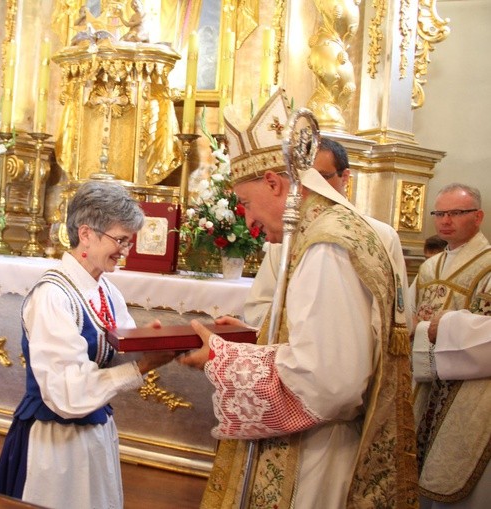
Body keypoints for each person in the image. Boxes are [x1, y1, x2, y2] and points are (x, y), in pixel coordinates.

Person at [179, 94, 417, 508]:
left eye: (248, 204)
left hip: (314, 454)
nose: (249, 221)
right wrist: (255, 341)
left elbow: (331, 383)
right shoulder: (334, 230)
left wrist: (222, 359)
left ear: (274, 183)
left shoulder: (327, 245)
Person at [0, 181, 175, 509]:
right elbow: (66, 393)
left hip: (94, 432)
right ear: (87, 234)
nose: (125, 251)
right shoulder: (53, 296)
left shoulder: (105, 291)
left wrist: (157, 343)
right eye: (120, 240)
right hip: (55, 441)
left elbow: (120, 351)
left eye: (128, 242)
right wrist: (144, 364)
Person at [243, 137, 412, 335]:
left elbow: (398, 318)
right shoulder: (282, 239)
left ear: (345, 178)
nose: (308, 188)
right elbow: (257, 307)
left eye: (320, 177)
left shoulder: (381, 235)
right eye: (301, 180)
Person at [411, 183, 491, 508]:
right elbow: (411, 319)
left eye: (455, 213)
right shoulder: (430, 267)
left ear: (478, 216)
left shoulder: (488, 265)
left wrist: (435, 327)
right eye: (439, 213)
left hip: (471, 391)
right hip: (427, 385)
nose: (445, 220)